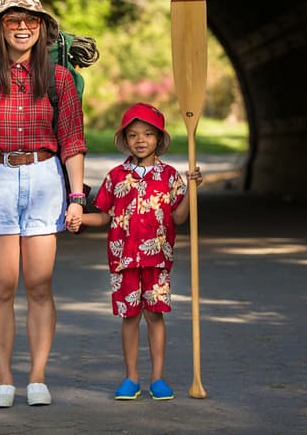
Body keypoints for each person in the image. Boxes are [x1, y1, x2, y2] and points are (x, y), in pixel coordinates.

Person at [0, 0, 87, 408]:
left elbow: (73, 142)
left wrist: (77, 197)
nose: (22, 27)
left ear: (42, 28)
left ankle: (38, 378)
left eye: (31, 20)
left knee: (40, 286)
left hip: (45, 179)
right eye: (13, 20)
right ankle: (4, 380)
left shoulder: (59, 79)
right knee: (2, 286)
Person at [67, 102, 202, 401]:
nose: (141, 140)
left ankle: (158, 379)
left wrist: (192, 190)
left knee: (155, 315)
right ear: (125, 140)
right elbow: (104, 216)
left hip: (158, 259)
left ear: (159, 139)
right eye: (133, 134)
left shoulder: (170, 176)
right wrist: (80, 219)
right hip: (123, 259)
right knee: (129, 318)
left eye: (148, 134)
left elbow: (179, 218)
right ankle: (131, 378)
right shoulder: (116, 176)